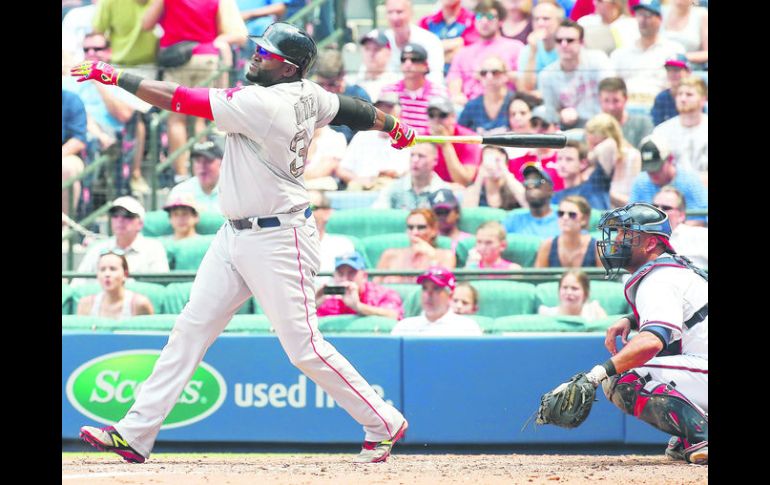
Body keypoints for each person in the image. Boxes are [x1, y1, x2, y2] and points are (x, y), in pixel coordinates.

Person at [72, 21, 415, 464]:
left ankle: (382, 420)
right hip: (234, 234)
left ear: (289, 69)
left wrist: (115, 75)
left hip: (279, 236)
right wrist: (391, 124)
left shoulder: (263, 103)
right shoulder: (307, 92)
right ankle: (135, 434)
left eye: (267, 53)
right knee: (190, 329)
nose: (256, 55)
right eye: (259, 48)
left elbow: (180, 98)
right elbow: (351, 107)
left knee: (304, 347)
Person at [577, 202, 708, 465]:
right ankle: (692, 434)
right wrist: (631, 318)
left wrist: (596, 374)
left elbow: (651, 343)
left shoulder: (659, 278)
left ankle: (700, 434)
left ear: (649, 244)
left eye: (626, 234)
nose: (616, 241)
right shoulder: (669, 270)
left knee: (624, 375)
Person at [141, 0, 248, 183]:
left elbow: (146, 24)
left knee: (176, 118)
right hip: (207, 56)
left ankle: (181, 175)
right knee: (200, 117)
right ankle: (201, 172)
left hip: (177, 59)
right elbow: (227, 28)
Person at [92, 0, 161, 194]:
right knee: (129, 117)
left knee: (137, 118)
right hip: (117, 68)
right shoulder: (110, 2)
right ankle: (123, 175)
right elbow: (97, 32)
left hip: (153, 68)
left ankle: (135, 173)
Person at [446, 0, 524, 109]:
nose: (484, 21)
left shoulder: (515, 48)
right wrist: (457, 97)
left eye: (490, 17)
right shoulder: (463, 53)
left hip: (505, 107)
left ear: (501, 21)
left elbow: (524, 81)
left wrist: (498, 74)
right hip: (470, 108)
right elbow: (454, 88)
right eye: (479, 16)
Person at [537, 18, 613, 130]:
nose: (564, 44)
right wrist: (561, 115)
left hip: (602, 125)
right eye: (559, 40)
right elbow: (551, 114)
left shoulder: (598, 59)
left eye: (570, 40)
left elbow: (611, 93)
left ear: (581, 42)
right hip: (569, 130)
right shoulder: (547, 75)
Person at [75, 196, 170, 284]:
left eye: (127, 216)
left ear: (140, 224)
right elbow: (77, 285)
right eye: (115, 215)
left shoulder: (154, 248)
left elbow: (159, 288)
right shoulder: (97, 249)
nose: (120, 220)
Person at [609, 0, 685, 110]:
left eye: (648, 15)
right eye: (639, 15)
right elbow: (611, 85)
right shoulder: (620, 53)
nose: (643, 20)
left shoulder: (674, 50)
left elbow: (680, 83)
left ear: (659, 19)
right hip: (626, 105)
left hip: (660, 105)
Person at [337, 93, 412, 191]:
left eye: (390, 107)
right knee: (353, 187)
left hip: (391, 186)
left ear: (399, 112)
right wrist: (359, 180)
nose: (385, 112)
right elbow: (342, 170)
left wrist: (390, 174)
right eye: (381, 108)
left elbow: (407, 172)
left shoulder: (407, 137)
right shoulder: (362, 135)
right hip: (360, 186)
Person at [628, 134, 707, 226]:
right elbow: (631, 218)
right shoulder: (640, 182)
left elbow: (701, 219)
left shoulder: (690, 182)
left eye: (657, 167)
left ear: (670, 159)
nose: (652, 172)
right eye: (648, 168)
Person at [380, 42, 449, 135]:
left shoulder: (440, 93)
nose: (408, 64)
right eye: (404, 59)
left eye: (414, 59)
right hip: (394, 145)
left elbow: (444, 129)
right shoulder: (388, 91)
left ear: (425, 65)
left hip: (428, 145)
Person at [391, 266, 483, 335]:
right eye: (425, 288)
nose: (429, 294)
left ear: (450, 296)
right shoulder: (404, 327)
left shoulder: (467, 328)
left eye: (436, 289)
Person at [650, 75, 708, 185]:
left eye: (689, 95)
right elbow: (655, 171)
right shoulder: (661, 131)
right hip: (669, 192)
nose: (683, 99)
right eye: (680, 94)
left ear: (703, 100)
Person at [375, 208, 456, 284]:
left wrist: (432, 257)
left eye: (421, 227)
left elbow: (445, 287)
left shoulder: (446, 256)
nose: (415, 232)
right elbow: (374, 288)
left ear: (434, 230)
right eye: (410, 227)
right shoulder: (390, 255)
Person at [316, 251, 404, 320]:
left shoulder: (383, 294)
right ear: (334, 276)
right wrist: (311, 307)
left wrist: (358, 307)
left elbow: (394, 315)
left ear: (364, 276)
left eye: (351, 273)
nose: (345, 279)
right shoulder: (327, 299)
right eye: (340, 273)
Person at [312, 49, 372, 144]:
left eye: (332, 84)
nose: (326, 89)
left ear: (343, 74)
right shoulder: (313, 96)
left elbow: (366, 138)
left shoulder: (359, 97)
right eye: (321, 84)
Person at [383, 0, 448, 87]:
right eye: (390, 12)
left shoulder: (430, 40)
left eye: (399, 12)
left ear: (411, 13)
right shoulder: (379, 41)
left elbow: (436, 79)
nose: (394, 17)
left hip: (422, 97)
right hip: (386, 96)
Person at [76, 249, 155, 319]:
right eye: (102, 269)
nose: (107, 274)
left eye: (113, 269)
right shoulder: (85, 304)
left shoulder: (140, 304)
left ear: (125, 274)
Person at [584, 112, 641, 207]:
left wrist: (604, 191)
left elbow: (634, 204)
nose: (594, 149)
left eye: (598, 145)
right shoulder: (590, 159)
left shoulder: (632, 157)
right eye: (591, 144)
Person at [371, 142, 450, 210]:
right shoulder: (393, 188)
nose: (415, 160)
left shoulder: (443, 191)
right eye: (412, 155)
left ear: (435, 160)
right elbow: (376, 216)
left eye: (421, 156)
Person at [426, 96, 482, 186]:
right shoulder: (424, 138)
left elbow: (466, 181)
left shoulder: (468, 138)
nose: (436, 120)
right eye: (431, 115)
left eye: (442, 115)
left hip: (463, 192)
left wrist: (446, 144)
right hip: (433, 189)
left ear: (453, 117)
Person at [534, 195, 602, 268]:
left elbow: (605, 278)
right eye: (561, 213)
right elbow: (537, 278)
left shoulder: (597, 248)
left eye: (572, 215)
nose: (565, 218)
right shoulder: (547, 246)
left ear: (584, 219)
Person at [456, 55, 516, 135]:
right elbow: (460, 134)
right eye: (483, 73)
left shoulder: (515, 101)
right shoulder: (472, 106)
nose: (489, 77)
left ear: (505, 75)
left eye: (495, 72)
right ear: (479, 77)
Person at [652, 185, 707, 269]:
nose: (658, 211)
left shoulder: (700, 235)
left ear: (681, 215)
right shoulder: (640, 238)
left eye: (666, 208)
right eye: (654, 207)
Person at [306, 190, 356, 282]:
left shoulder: (342, 245)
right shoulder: (285, 246)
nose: (302, 214)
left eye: (309, 208)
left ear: (327, 212)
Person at [166, 135, 224, 213]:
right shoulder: (181, 192)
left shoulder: (232, 190)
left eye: (208, 161)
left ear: (221, 163)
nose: (202, 166)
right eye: (198, 161)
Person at [516, 0, 565, 93]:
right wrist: (533, 52)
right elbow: (526, 88)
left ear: (559, 22)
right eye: (536, 19)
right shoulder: (527, 50)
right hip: (535, 102)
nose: (540, 23)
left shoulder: (566, 46)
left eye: (546, 19)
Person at [418, 0, 478, 74]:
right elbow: (419, 54)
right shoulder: (425, 22)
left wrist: (432, 51)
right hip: (431, 77)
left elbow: (468, 55)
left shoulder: (473, 20)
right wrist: (455, 44)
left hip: (463, 77)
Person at [502, 164, 561, 238]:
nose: (531, 186)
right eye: (527, 182)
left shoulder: (565, 215)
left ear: (550, 190)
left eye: (538, 181)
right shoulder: (514, 218)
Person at [462, 144, 527, 210]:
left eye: (497, 160)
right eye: (488, 159)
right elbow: (468, 212)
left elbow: (528, 205)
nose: (493, 165)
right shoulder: (475, 189)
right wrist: (480, 176)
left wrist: (504, 170)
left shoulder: (514, 188)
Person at [345, 29, 402, 103]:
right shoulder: (351, 81)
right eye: (367, 49)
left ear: (389, 53)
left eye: (377, 49)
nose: (371, 54)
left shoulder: (397, 83)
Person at [552, 140, 610, 210]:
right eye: (559, 159)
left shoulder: (593, 190)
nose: (562, 164)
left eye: (569, 159)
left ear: (583, 163)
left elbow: (609, 145)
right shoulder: (555, 196)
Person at [598, 76, 653, 149]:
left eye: (616, 101)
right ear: (599, 100)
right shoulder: (593, 127)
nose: (611, 107)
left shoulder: (643, 124)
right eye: (606, 100)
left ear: (625, 99)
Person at [537, 269, 607, 320]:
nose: (569, 292)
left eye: (574, 288)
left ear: (585, 293)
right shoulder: (546, 314)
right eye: (565, 287)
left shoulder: (595, 311)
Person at [62, 89, 88, 219]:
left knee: (66, 168)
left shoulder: (70, 99)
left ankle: (64, 230)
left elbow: (79, 140)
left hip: (66, 153)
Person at [660, 0, 708, 67]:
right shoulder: (661, 11)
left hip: (689, 70)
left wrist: (681, 57)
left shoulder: (702, 14)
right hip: (659, 65)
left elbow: (707, 53)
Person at [650, 54, 693, 127]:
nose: (672, 73)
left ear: (688, 72)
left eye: (676, 70)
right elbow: (656, 126)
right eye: (668, 70)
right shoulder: (661, 98)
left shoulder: (697, 96)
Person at [428, 188, 473, 253]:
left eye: (445, 212)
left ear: (457, 213)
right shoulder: (428, 239)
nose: (441, 217)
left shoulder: (468, 241)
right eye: (438, 213)